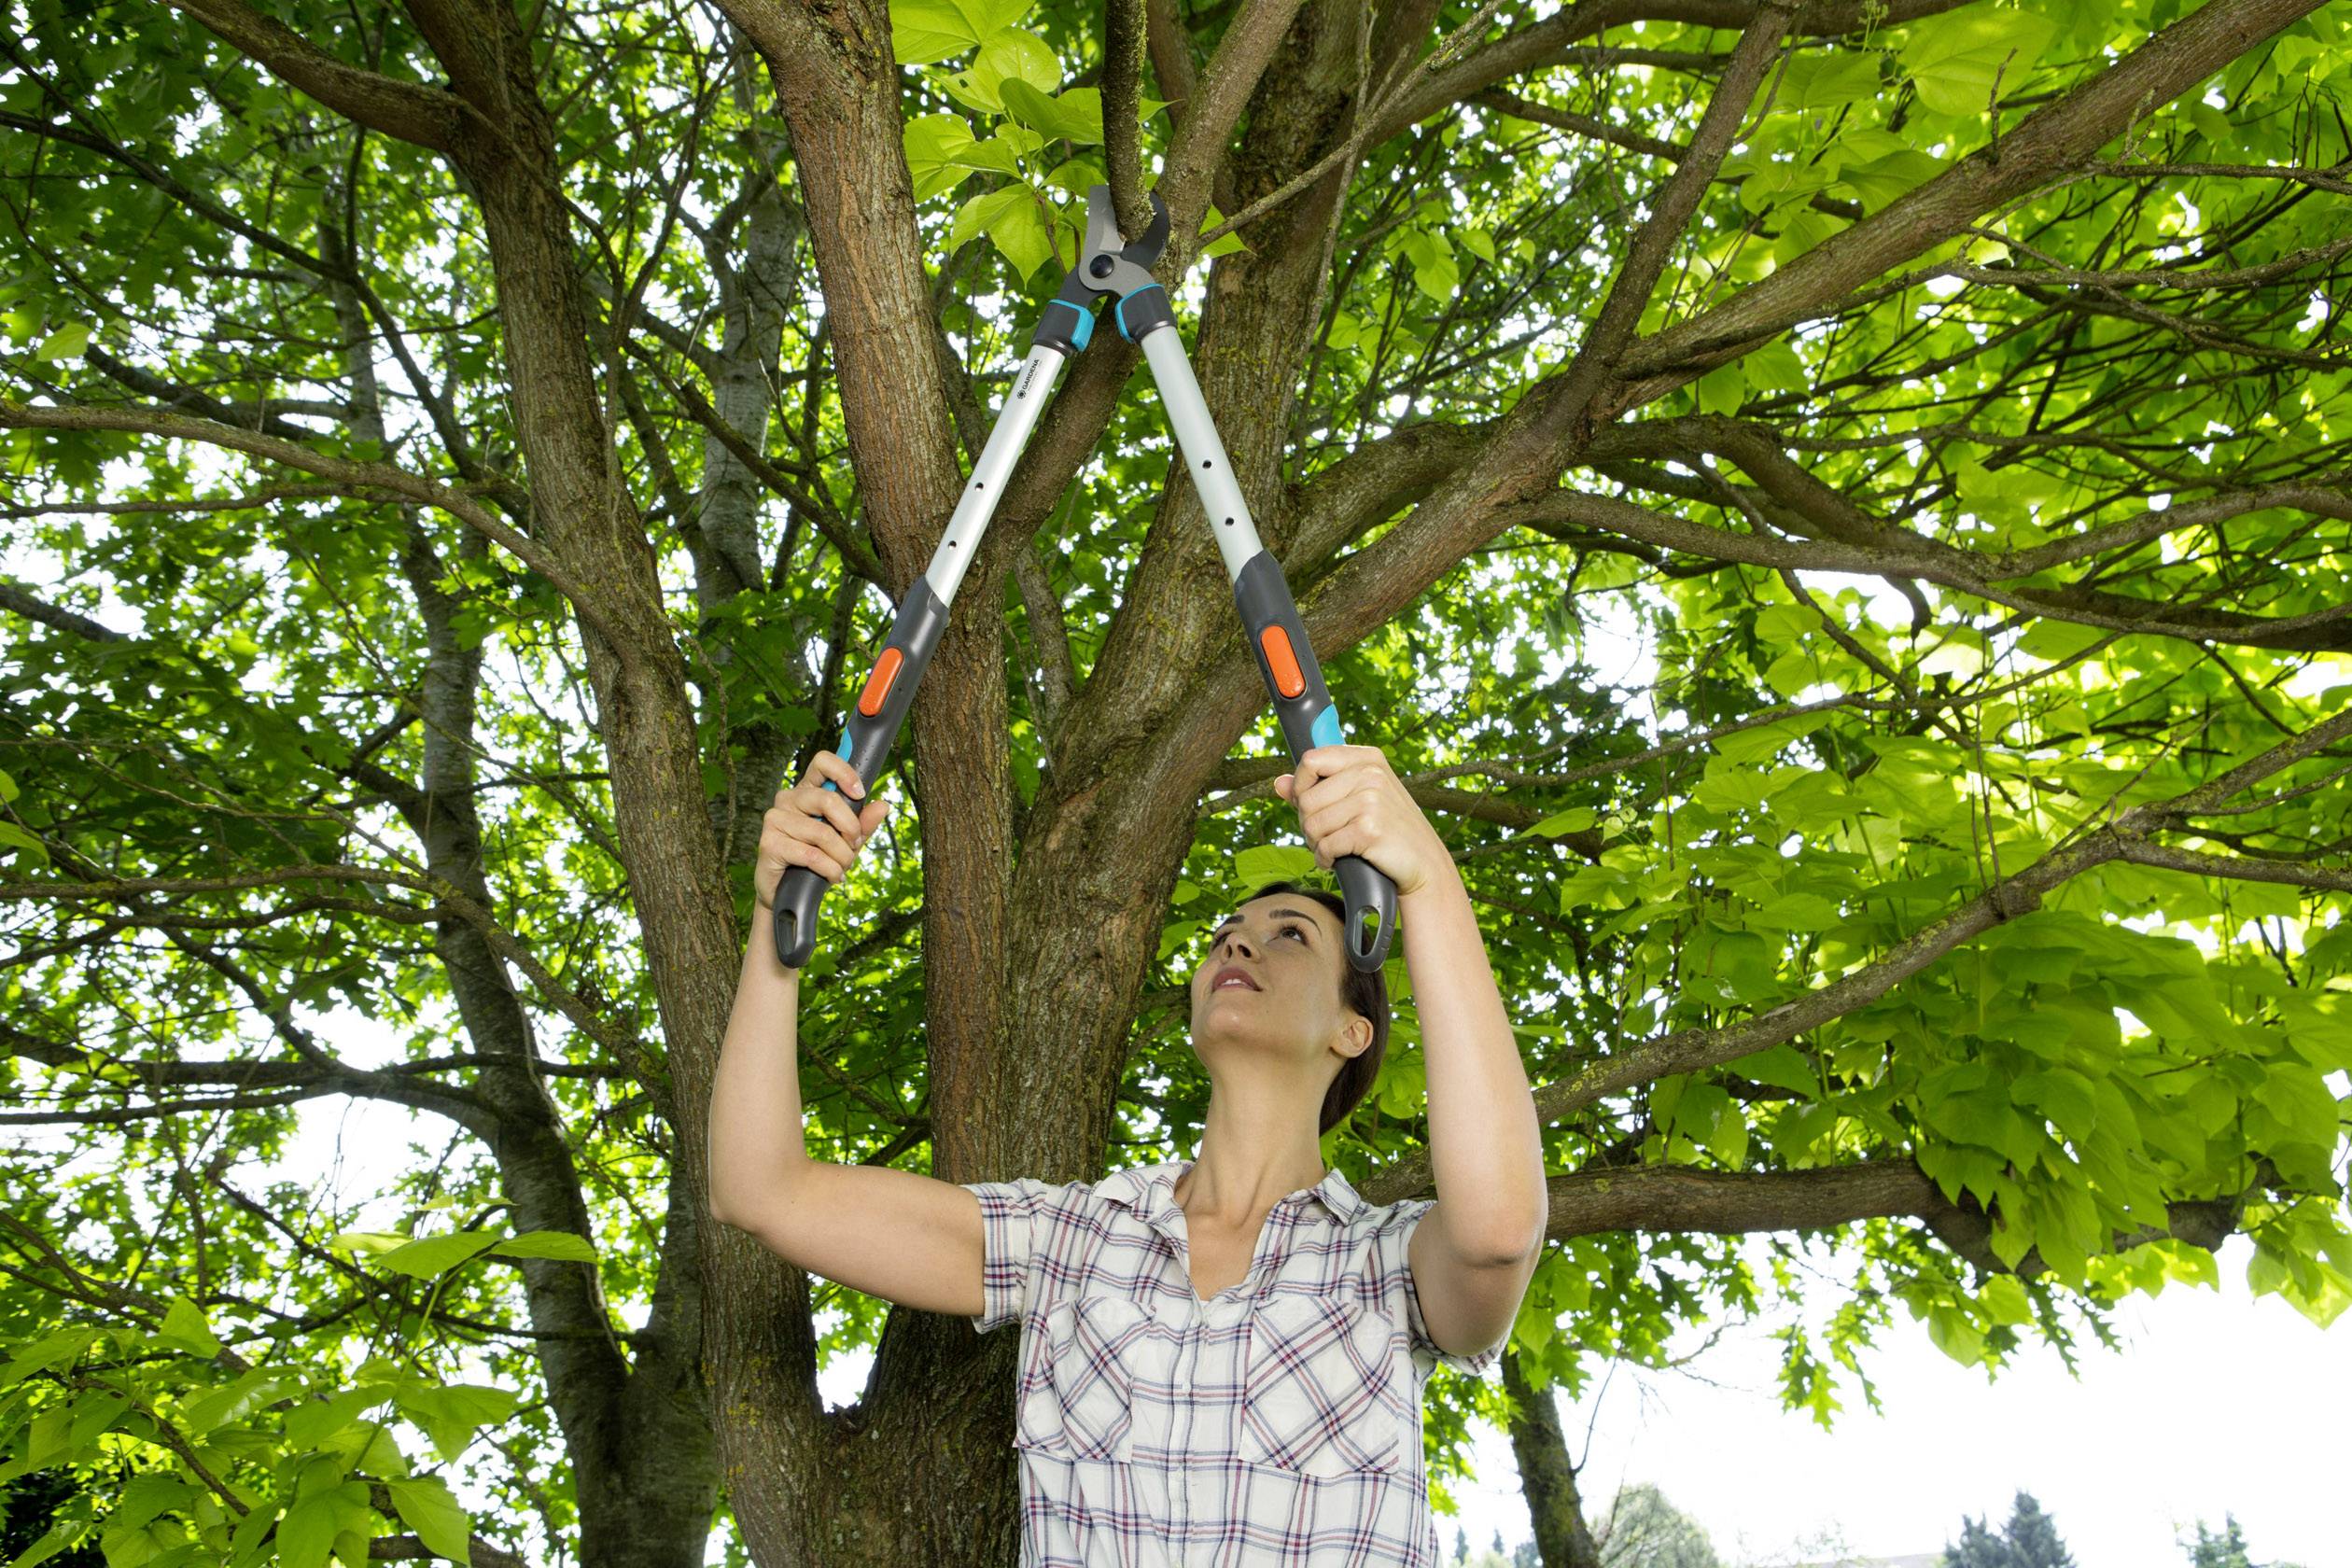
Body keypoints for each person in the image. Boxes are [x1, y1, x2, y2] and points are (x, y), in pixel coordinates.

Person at [707, 742, 1548, 1566]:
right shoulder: (1069, 1242)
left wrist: (1427, 883)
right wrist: (776, 914)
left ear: (1351, 1032)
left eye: (1288, 935)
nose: (1237, 945)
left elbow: (1498, 1230)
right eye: (1225, 934)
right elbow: (761, 1189)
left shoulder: (1385, 1266)